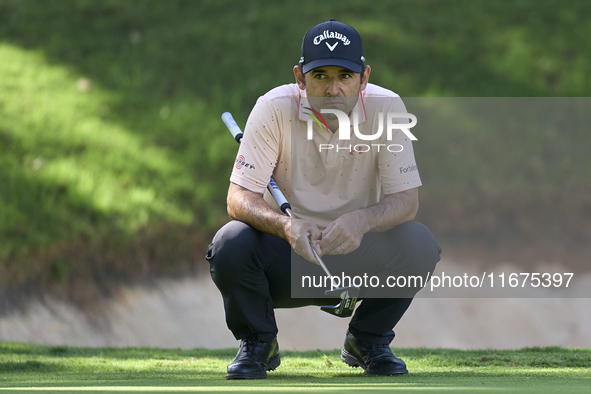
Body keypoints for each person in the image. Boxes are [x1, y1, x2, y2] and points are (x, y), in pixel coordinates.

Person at [206, 19, 441, 380]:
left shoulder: (386, 108)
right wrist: (286, 226)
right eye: (320, 76)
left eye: (345, 76)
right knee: (229, 243)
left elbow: (406, 200)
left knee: (419, 242)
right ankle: (258, 342)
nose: (334, 89)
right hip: (286, 259)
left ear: (363, 78)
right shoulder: (273, 108)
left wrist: (361, 220)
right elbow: (238, 198)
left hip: (357, 250)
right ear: (300, 77)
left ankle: (368, 340)